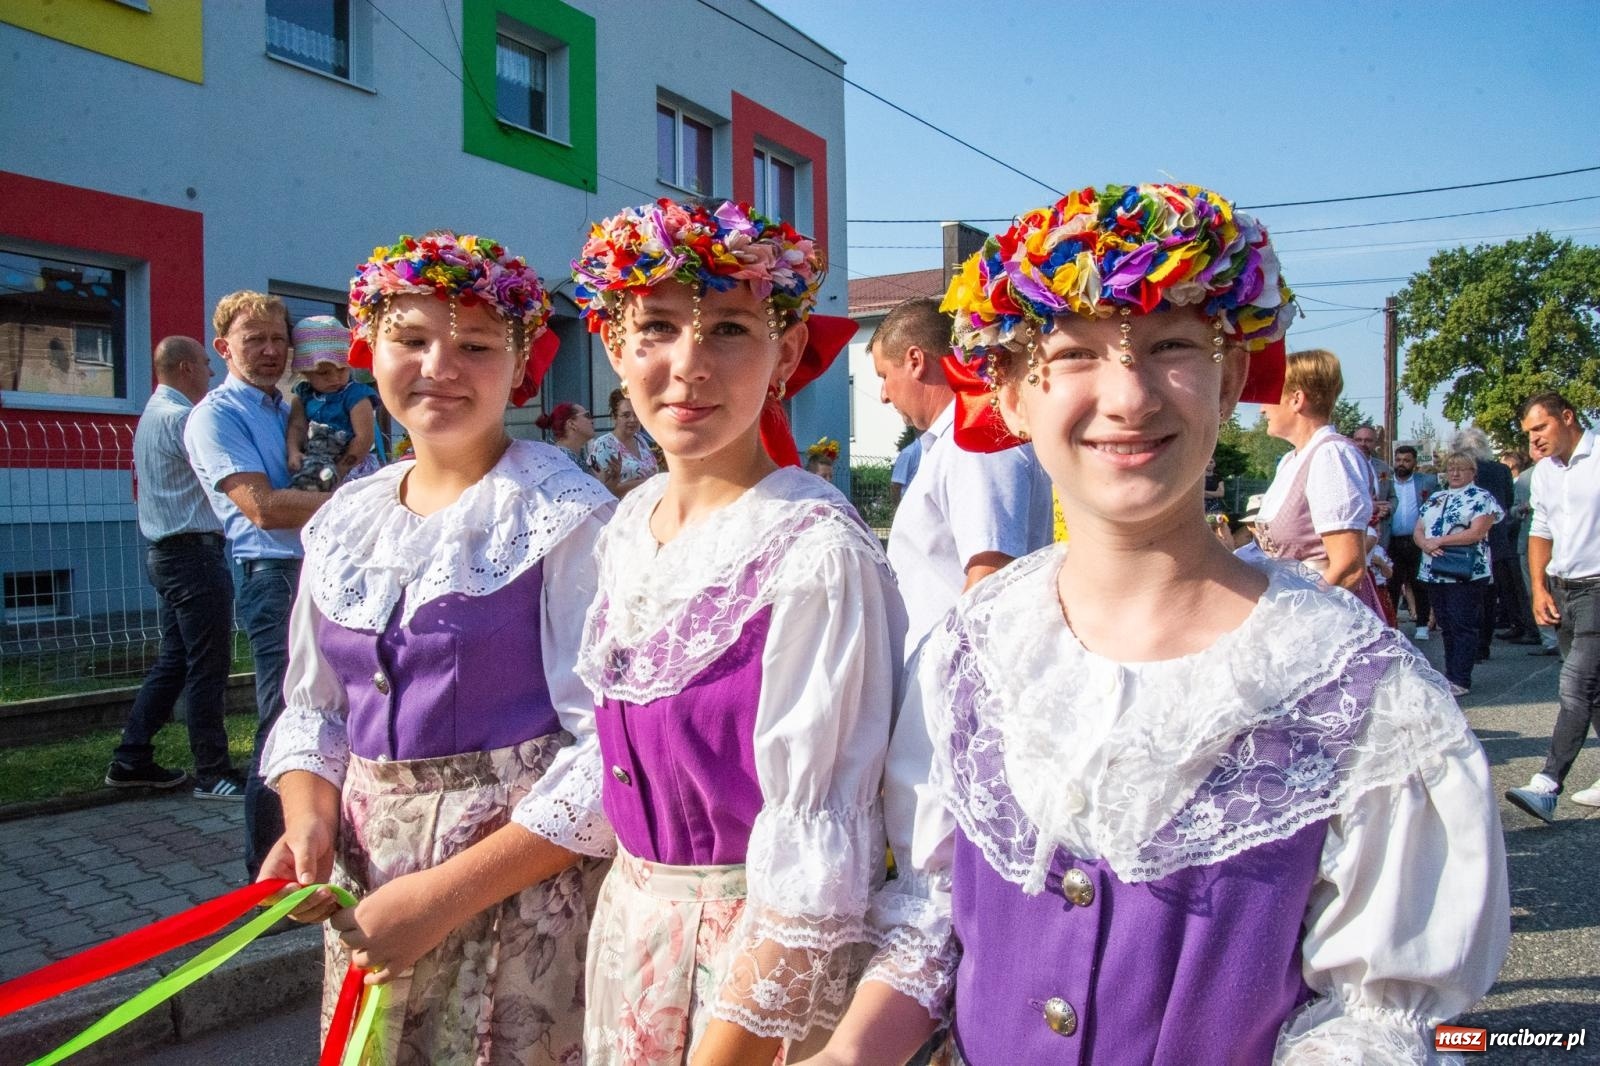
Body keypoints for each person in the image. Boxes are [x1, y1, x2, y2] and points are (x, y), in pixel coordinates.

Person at [804, 182, 1507, 1066]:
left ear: (1231, 378)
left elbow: (1380, 1021)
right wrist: (849, 1053)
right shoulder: (977, 647)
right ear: (1013, 395)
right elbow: (938, 909)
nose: (1129, 397)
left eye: (1172, 346)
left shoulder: (1355, 688)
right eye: (1074, 355)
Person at [258, 232, 614, 1063]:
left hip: (514, 893)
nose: (439, 367)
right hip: (372, 890)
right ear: (367, 352)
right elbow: (314, 706)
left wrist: (444, 896)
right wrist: (308, 818)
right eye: (410, 340)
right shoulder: (348, 517)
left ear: (524, 364)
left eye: (476, 346)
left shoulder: (566, 516)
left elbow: (609, 756)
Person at [569, 197, 904, 1063]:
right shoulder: (632, 522)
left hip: (749, 987)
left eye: (727, 329)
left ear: (786, 352)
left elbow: (817, 863)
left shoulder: (815, 554)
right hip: (635, 941)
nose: (689, 367)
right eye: (657, 328)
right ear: (615, 344)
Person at [185, 291, 330, 877]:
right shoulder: (215, 415)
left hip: (316, 565)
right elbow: (263, 508)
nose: (271, 352)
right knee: (283, 719)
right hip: (270, 577)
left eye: (279, 340)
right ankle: (265, 874)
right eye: (255, 342)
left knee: (325, 709)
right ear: (224, 348)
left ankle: (316, 852)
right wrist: (355, 500)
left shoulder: (288, 407)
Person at [869, 295, 1053, 653]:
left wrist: (946, 680)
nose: (883, 396)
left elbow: (991, 576)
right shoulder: (954, 442)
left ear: (915, 361)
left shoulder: (976, 440)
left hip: (959, 685)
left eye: (884, 376)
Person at [107, 336, 243, 800]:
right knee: (208, 666)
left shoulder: (150, 416)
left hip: (167, 554)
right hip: (193, 556)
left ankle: (131, 757)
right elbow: (221, 477)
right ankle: (213, 772)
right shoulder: (182, 420)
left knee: (176, 662)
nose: (210, 373)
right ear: (185, 367)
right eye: (205, 364)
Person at [1505, 391, 1600, 821]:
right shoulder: (1543, 472)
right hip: (1563, 588)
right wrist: (1539, 588)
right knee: (1592, 692)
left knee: (1575, 685)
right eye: (1528, 434)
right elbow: (1541, 530)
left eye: (1540, 429)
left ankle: (1547, 784)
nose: (1534, 441)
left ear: (1568, 416)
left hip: (1599, 588)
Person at [1254, 349, 1384, 617]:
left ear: (1296, 399)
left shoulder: (1331, 455)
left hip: (1324, 614)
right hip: (1294, 602)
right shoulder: (1292, 460)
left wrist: (1303, 620)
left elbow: (1348, 567)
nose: (1262, 407)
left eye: (1269, 395)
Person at [1414, 450, 1504, 697]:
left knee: (1462, 624)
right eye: (1451, 468)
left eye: (1461, 468)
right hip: (1434, 570)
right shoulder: (1436, 497)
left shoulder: (1481, 498)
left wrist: (1439, 540)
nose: (1454, 473)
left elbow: (1476, 532)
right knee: (1445, 625)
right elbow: (1419, 529)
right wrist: (1425, 543)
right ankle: (1450, 673)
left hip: (1465, 571)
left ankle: (1461, 677)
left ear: (1472, 473)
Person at [285, 315, 379, 492]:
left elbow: (364, 437)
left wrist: (340, 471)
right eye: (323, 373)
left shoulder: (356, 394)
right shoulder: (303, 395)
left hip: (352, 465)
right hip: (315, 464)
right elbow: (297, 426)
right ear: (306, 372)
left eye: (342, 369)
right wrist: (293, 451)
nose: (335, 378)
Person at [1506, 448, 1560, 655]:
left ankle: (1567, 640)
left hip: (1561, 542)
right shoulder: (1525, 479)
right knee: (1534, 590)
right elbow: (1511, 510)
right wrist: (1522, 509)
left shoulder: (1568, 472)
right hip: (1529, 541)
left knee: (1560, 591)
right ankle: (1549, 640)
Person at [1387, 444, 1438, 639]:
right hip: (1392, 541)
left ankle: (1422, 624)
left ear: (1414, 463)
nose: (1401, 464)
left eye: (1406, 460)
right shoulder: (1387, 482)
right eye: (1398, 460)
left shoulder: (1426, 482)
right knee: (1393, 584)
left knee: (1420, 584)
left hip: (1417, 540)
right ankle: (1391, 625)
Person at [588, 385, 659, 496]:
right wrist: (650, 483)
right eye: (626, 415)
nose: (633, 420)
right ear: (614, 417)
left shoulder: (641, 440)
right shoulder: (603, 445)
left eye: (636, 414)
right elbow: (602, 490)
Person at [1350, 424, 1396, 544]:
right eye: (1358, 440)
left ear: (1375, 443)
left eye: (1368, 440)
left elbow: (1393, 496)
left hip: (1381, 532)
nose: (1363, 444)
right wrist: (1371, 506)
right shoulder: (1346, 467)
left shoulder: (1383, 467)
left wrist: (1388, 509)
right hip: (1357, 532)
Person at [535, 399, 597, 466]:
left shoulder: (580, 457)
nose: (592, 421)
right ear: (572, 424)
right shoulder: (558, 461)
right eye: (587, 415)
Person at [888, 435, 921, 509]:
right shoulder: (909, 453)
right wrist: (899, 511)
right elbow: (896, 486)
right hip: (910, 509)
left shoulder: (936, 451)